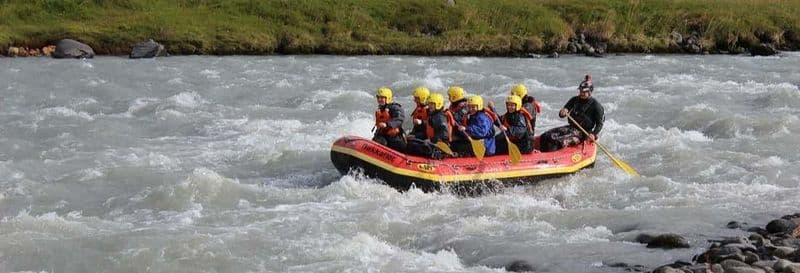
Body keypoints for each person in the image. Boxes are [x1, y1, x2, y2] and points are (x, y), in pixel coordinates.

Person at [539, 75, 604, 152]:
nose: (581, 93)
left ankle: (551, 158)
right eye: (580, 91)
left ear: (590, 92)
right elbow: (562, 114)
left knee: (555, 141)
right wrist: (563, 111)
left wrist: (593, 134)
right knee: (545, 136)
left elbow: (600, 124)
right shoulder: (574, 100)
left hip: (583, 134)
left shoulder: (596, 106)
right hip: (571, 128)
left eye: (584, 92)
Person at [404, 93, 455, 159]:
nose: (429, 106)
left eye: (432, 104)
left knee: (412, 146)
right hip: (433, 143)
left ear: (438, 105)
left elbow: (444, 134)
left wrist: (431, 140)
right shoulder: (433, 115)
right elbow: (428, 131)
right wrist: (415, 136)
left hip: (440, 147)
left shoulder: (440, 117)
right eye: (429, 104)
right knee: (411, 142)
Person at [373, 87, 406, 151]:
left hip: (394, 137)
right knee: (377, 141)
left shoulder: (395, 108)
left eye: (382, 98)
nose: (379, 99)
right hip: (382, 136)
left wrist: (387, 124)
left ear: (387, 98)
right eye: (378, 97)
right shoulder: (380, 110)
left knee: (400, 145)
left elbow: (399, 119)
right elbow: (378, 127)